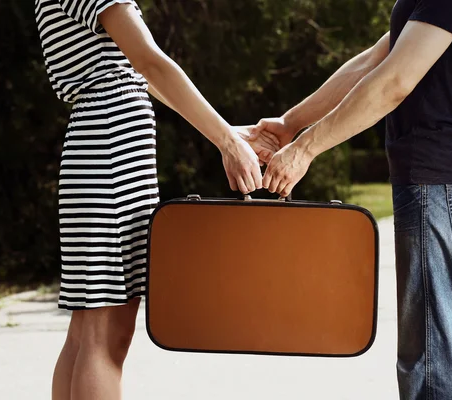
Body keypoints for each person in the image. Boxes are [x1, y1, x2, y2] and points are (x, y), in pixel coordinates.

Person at [252, 1, 452, 399]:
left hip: (440, 185)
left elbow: (393, 82)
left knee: (437, 364)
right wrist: (291, 124)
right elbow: (375, 59)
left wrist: (305, 149)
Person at [34, 1, 278, 399]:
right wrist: (226, 141)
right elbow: (150, 62)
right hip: (110, 156)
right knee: (103, 337)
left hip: (101, 154)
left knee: (86, 333)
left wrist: (225, 130)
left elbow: (138, 73)